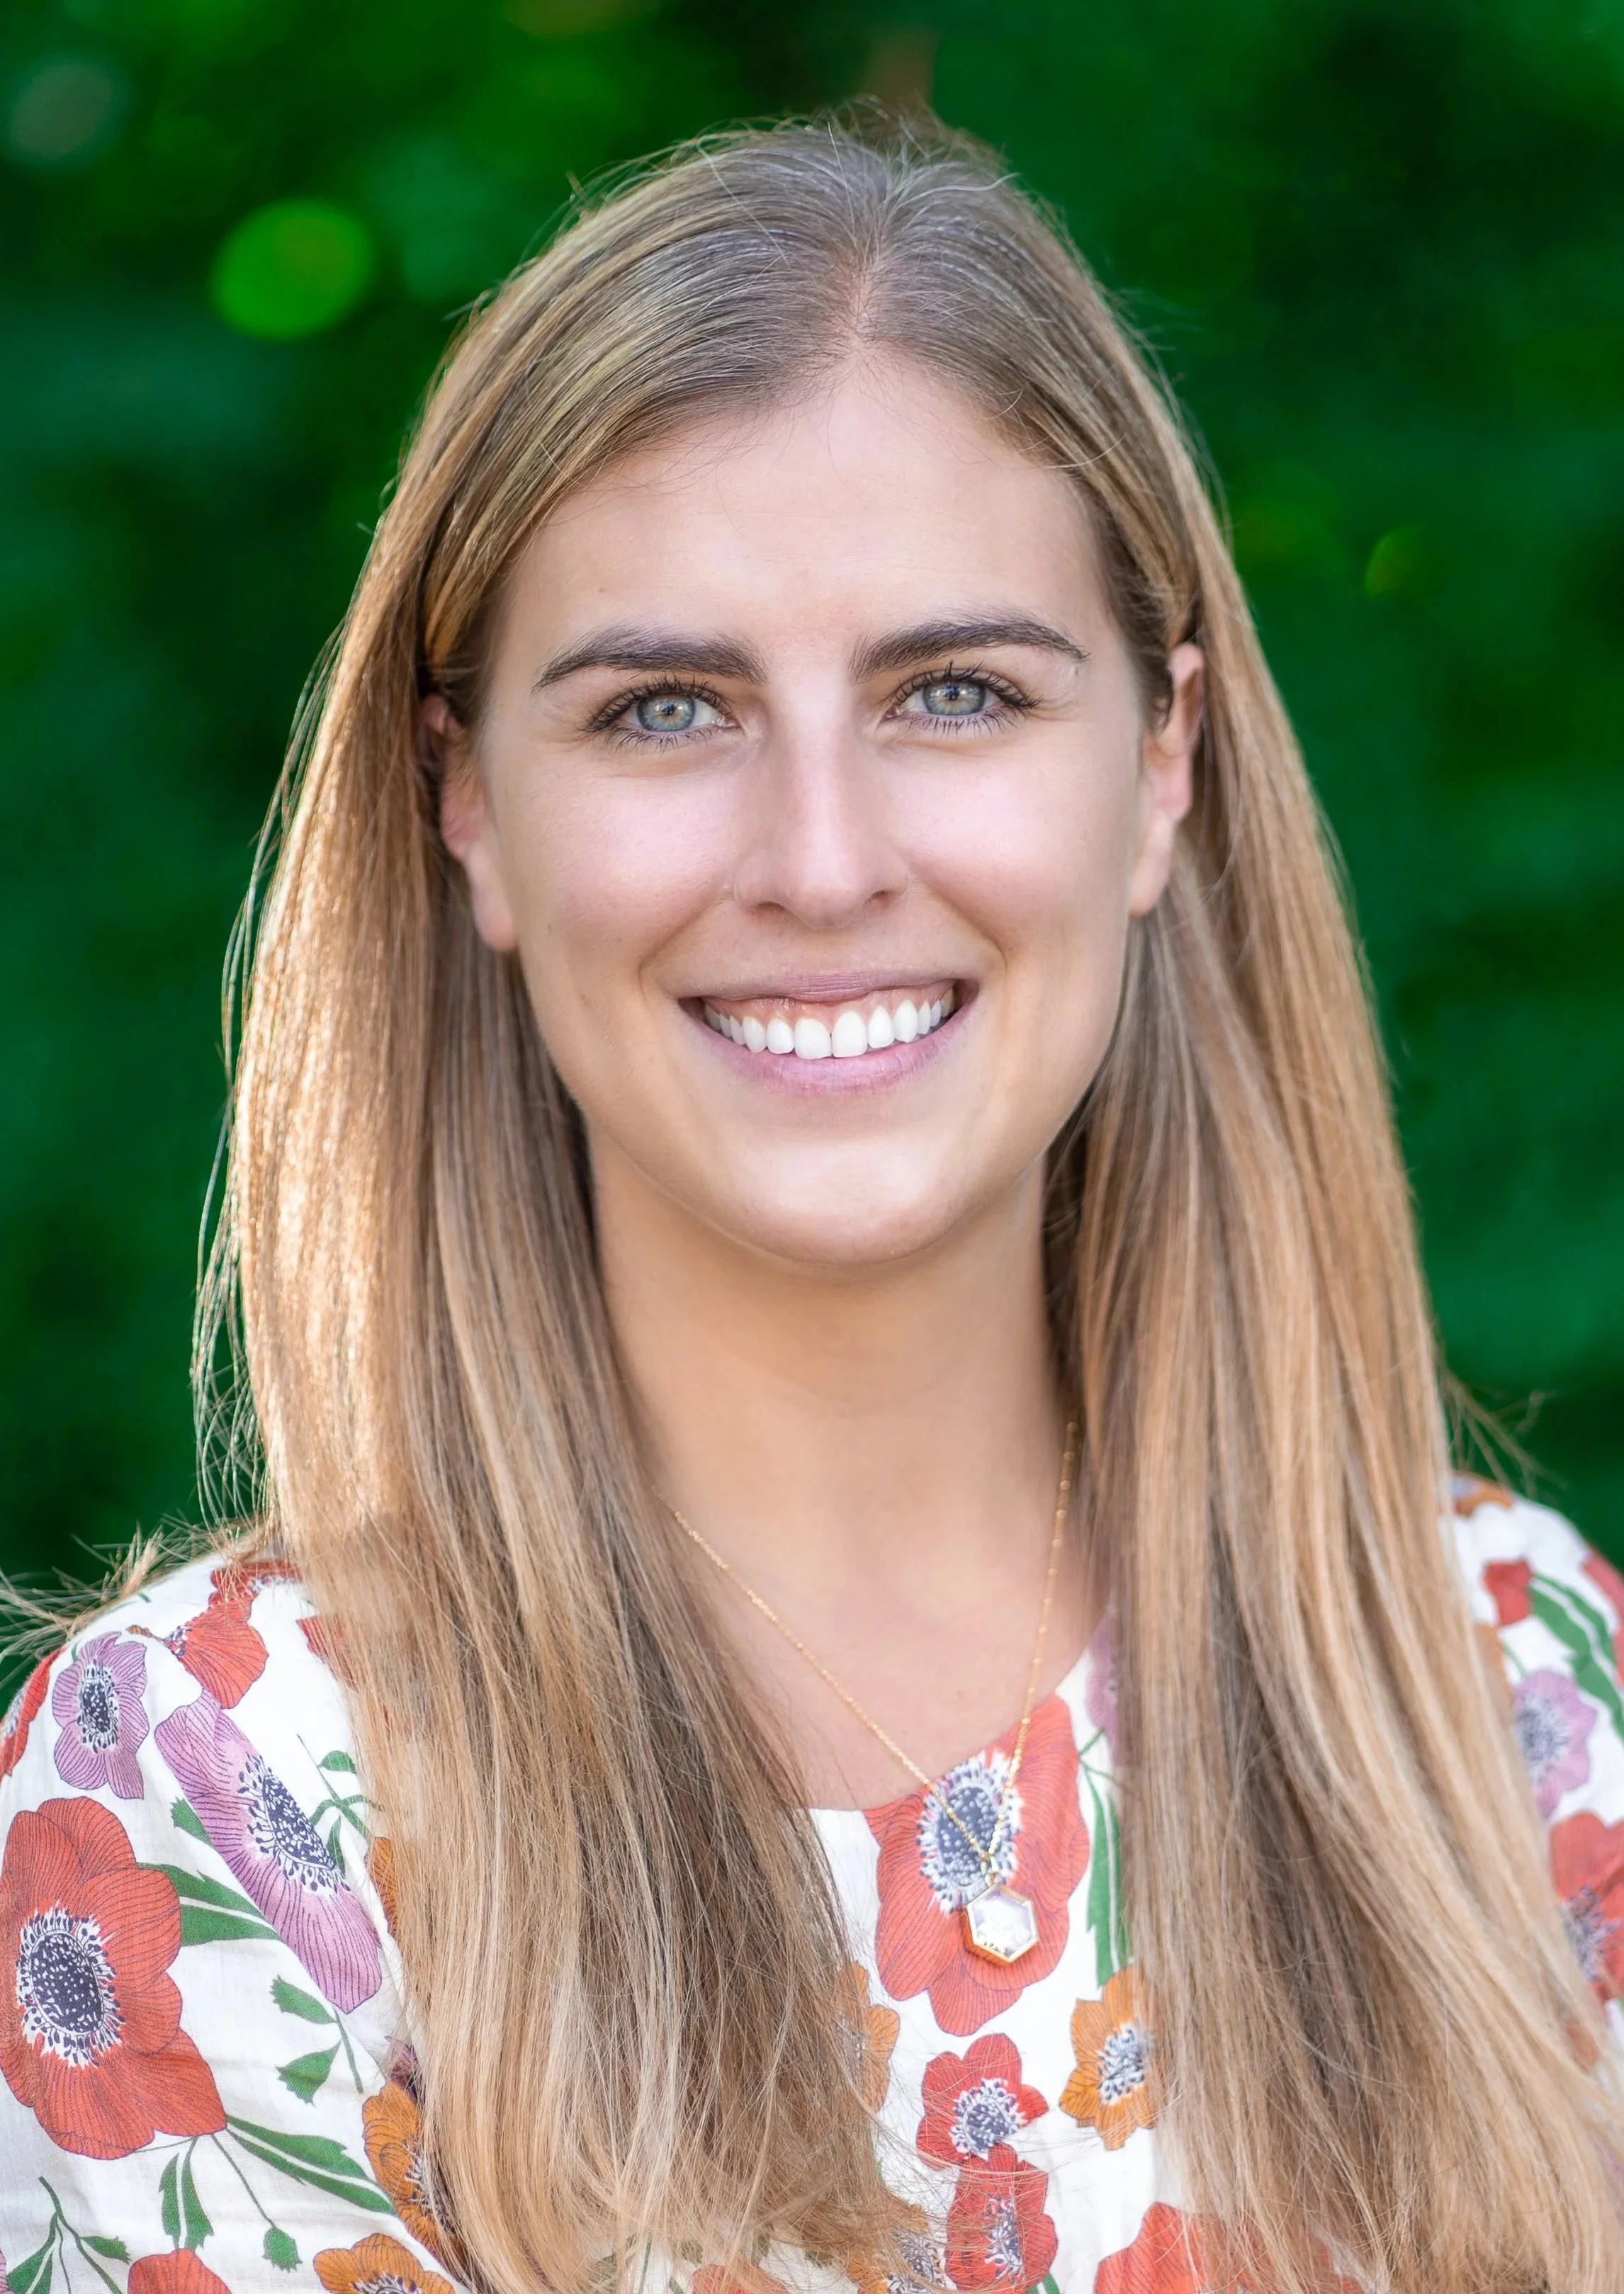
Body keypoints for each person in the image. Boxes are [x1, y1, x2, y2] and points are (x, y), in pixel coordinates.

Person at [1, 114, 1620, 2294]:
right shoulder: (217, 1808)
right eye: (664, 709)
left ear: (1159, 765)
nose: (824, 856)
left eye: (952, 691)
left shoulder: (1517, 1701)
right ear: (467, 805)